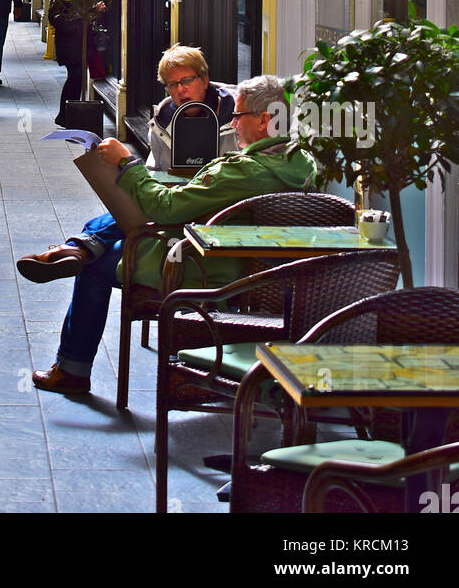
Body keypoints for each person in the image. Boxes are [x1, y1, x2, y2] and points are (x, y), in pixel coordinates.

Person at [20, 74, 318, 394]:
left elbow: (166, 209)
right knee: (134, 215)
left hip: (202, 266)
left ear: (265, 120)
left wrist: (127, 163)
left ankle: (72, 368)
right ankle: (83, 246)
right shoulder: (299, 163)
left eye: (238, 115)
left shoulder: (245, 172)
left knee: (99, 263)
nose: (232, 122)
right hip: (244, 262)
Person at [19, 46, 234, 282]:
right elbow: (154, 172)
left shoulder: (236, 117)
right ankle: (79, 249)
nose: (180, 89)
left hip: (209, 211)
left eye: (187, 80)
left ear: (204, 79)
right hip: (168, 207)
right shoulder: (164, 116)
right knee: (98, 256)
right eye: (172, 84)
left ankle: (79, 246)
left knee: (94, 264)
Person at [47, 0, 106, 126]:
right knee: (76, 75)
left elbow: (83, 15)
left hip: (79, 41)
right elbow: (55, 17)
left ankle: (68, 115)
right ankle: (65, 115)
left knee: (77, 76)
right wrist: (78, 24)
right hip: (70, 43)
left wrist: (94, 11)